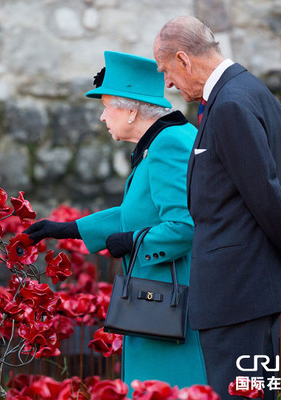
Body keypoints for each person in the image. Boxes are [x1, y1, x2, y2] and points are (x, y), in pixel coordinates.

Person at [153, 16, 281, 400]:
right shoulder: (254, 91)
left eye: (166, 70)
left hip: (234, 294)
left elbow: (269, 192)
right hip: (249, 290)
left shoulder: (230, 104)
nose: (167, 82)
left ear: (184, 60)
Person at [25, 51, 206, 391]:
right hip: (160, 295)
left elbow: (185, 226)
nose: (102, 117)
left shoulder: (169, 145)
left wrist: (134, 241)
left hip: (169, 296)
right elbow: (138, 212)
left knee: (167, 387)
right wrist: (70, 230)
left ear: (133, 109)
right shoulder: (164, 140)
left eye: (107, 106)